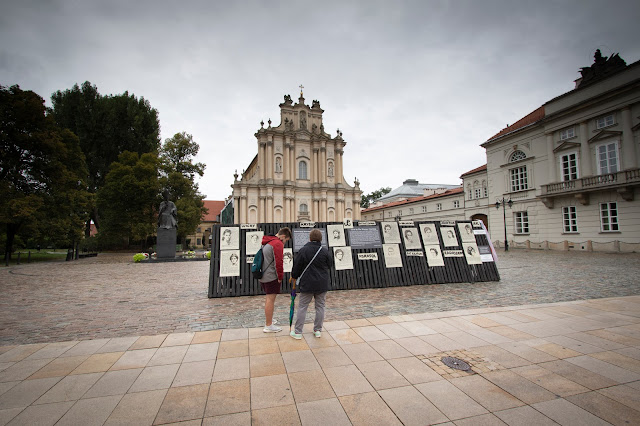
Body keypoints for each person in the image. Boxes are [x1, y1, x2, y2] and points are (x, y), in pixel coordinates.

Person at [290, 229, 332, 339]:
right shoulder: (324, 251)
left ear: (310, 238)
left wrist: (294, 276)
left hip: (307, 283)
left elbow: (297, 267)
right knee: (320, 307)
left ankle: (298, 332)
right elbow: (330, 265)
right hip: (321, 283)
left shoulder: (303, 250)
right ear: (320, 239)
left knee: (302, 307)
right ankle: (318, 330)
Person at [259, 227, 292, 333]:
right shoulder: (277, 244)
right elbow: (279, 262)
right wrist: (280, 277)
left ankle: (269, 319)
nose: (285, 243)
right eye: (286, 240)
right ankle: (268, 325)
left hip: (264, 274)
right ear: (283, 236)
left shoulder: (267, 241)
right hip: (271, 276)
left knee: (268, 299)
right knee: (270, 299)